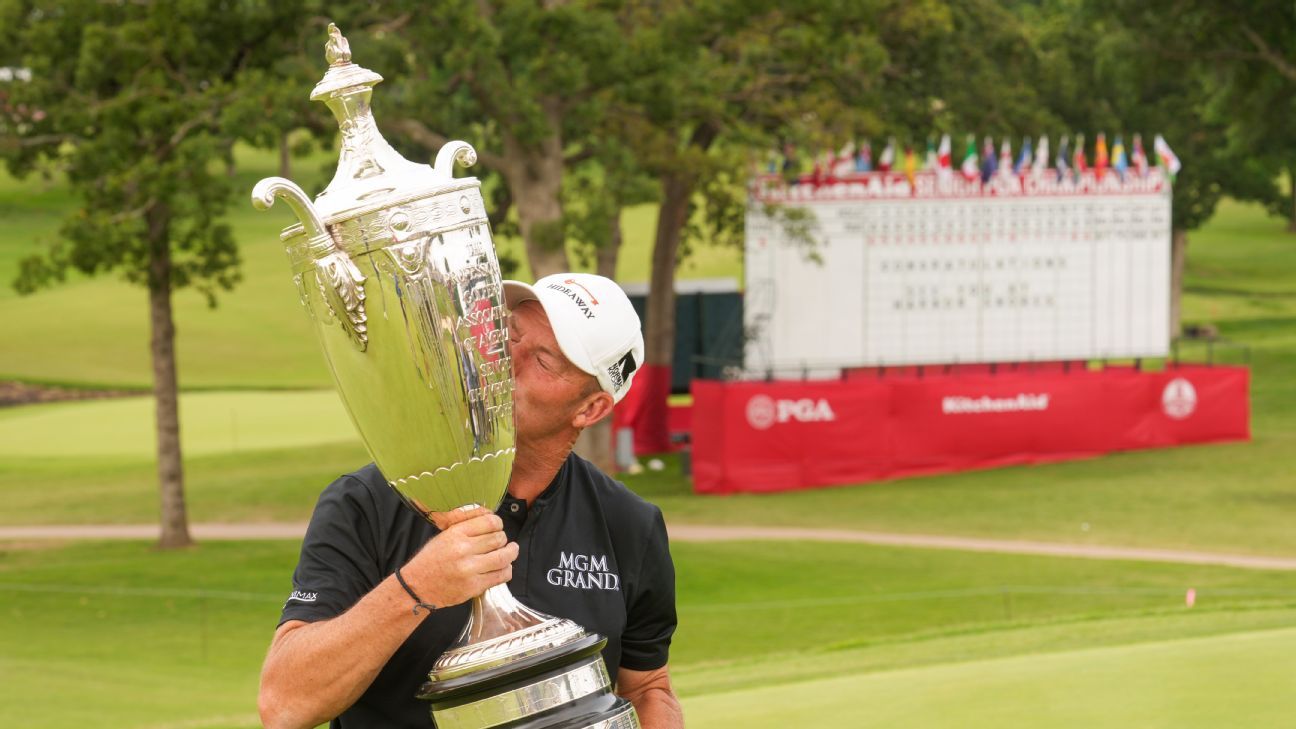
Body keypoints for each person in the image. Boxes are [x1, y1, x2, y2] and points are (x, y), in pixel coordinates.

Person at [258, 273, 683, 729]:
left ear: (591, 409)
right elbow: (285, 705)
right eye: (509, 337)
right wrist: (417, 587)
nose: (504, 362)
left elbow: (645, 686)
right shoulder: (367, 502)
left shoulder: (628, 525)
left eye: (542, 359)